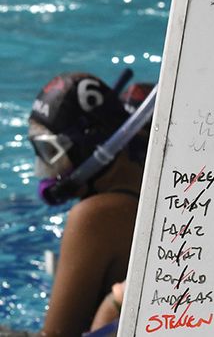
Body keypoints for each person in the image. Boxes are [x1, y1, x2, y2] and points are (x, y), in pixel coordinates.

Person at [27, 72, 153, 336]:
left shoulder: (94, 216)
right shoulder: (147, 192)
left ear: (89, 147)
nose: (47, 171)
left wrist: (112, 307)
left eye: (51, 154)